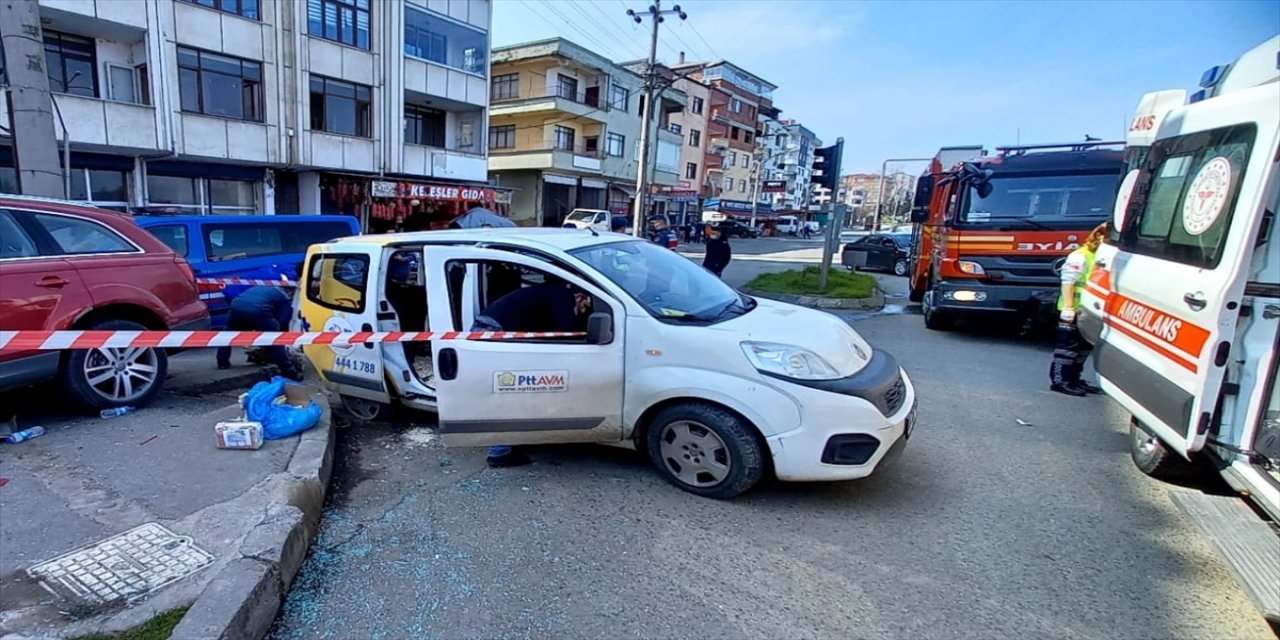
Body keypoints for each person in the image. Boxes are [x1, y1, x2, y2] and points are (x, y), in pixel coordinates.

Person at [473, 279, 594, 468]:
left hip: (490, 330)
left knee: (512, 391)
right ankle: (499, 454)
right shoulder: (562, 294)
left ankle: (509, 444)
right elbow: (569, 329)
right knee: (512, 394)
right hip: (496, 334)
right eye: (586, 303)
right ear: (580, 295)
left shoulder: (547, 294)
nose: (584, 306)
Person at [1049, 222, 1108, 396]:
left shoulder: (1100, 256)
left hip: (1091, 310)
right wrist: (1069, 307)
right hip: (1075, 310)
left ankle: (1074, 379)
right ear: (1098, 236)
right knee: (1068, 348)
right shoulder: (1080, 256)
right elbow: (1068, 282)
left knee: (1083, 348)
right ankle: (1060, 381)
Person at [217, 284, 302, 380]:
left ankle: (222, 362)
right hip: (258, 310)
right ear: (291, 293)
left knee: (228, 335)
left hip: (236, 307)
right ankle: (289, 372)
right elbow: (280, 320)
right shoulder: (285, 298)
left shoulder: (261, 287)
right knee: (276, 341)